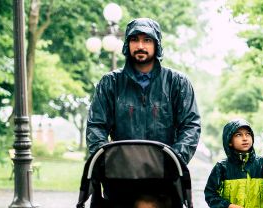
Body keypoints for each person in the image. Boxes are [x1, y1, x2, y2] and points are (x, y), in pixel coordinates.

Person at [86, 18, 201, 164]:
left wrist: (173, 160)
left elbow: (190, 126)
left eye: (147, 40)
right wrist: (109, 161)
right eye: (134, 39)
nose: (140, 46)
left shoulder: (177, 83)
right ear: (127, 44)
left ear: (156, 44)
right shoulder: (110, 83)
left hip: (165, 177)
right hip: (120, 175)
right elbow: (96, 126)